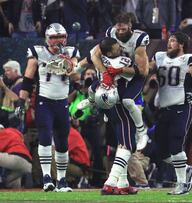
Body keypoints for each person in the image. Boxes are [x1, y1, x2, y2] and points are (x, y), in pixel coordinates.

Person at [16, 23, 80, 192]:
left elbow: (76, 76)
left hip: (62, 102)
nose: (57, 41)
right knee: (44, 137)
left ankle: (61, 180)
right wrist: (22, 101)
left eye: (61, 37)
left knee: (62, 142)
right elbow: (28, 78)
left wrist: (66, 62)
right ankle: (46, 178)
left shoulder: (71, 52)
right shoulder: (37, 52)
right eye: (53, 37)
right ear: (47, 38)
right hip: (44, 102)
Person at [150, 31, 192, 195]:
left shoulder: (189, 59)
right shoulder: (160, 57)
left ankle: (182, 183)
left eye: (173, 41)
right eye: (169, 40)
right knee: (162, 151)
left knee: (176, 142)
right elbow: (146, 69)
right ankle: (187, 169)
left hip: (183, 106)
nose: (169, 43)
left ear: (181, 44)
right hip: (164, 108)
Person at [91, 13, 149, 151]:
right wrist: (105, 74)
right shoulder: (111, 33)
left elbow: (143, 71)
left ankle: (142, 131)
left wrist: (120, 70)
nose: (120, 33)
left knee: (127, 101)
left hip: (133, 73)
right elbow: (94, 56)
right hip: (114, 72)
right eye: (119, 30)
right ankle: (105, 112)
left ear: (130, 26)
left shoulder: (139, 39)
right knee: (94, 91)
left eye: (124, 29)